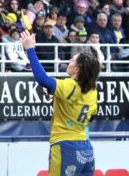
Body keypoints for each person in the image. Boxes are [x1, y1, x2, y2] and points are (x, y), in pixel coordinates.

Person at [20, 29, 100, 176]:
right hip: (86, 149)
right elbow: (92, 116)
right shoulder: (92, 90)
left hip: (66, 147)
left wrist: (30, 50)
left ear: (77, 68)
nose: (69, 62)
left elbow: (42, 79)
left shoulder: (69, 85)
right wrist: (59, 100)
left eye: (72, 60)